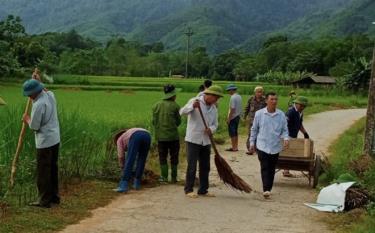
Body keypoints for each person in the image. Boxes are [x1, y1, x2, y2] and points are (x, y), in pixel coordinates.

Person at [22, 79, 60, 208]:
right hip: (55, 138)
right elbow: (45, 89)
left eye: (29, 94)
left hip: (45, 142)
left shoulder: (38, 105)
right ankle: (54, 197)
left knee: (44, 171)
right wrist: (37, 79)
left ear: (33, 93)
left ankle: (44, 200)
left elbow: (35, 127)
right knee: (53, 168)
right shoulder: (50, 95)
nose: (28, 96)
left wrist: (27, 120)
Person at [180, 85, 223, 198]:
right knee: (192, 165)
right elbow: (182, 112)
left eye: (218, 98)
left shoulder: (214, 108)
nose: (216, 100)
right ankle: (188, 189)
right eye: (215, 97)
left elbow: (215, 124)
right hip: (193, 139)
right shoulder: (195, 101)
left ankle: (203, 189)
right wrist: (192, 107)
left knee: (205, 166)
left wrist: (211, 129)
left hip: (206, 140)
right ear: (208, 95)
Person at [249, 92, 289, 199]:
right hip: (262, 145)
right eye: (272, 99)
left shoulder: (281, 115)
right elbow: (254, 129)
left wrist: (286, 138)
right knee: (265, 166)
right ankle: (266, 189)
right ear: (266, 101)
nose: (274, 101)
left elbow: (285, 130)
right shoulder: (259, 114)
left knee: (272, 168)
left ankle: (268, 188)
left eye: (276, 99)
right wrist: (252, 142)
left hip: (275, 146)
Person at [152, 84, 181, 183]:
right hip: (173, 137)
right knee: (174, 156)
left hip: (161, 137)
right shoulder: (176, 106)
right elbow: (178, 122)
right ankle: (174, 177)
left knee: (162, 156)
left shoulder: (156, 105)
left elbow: (154, 122)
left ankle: (164, 177)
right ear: (173, 95)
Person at [114, 128, 151, 193]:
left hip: (136, 136)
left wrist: (122, 166)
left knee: (130, 159)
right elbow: (141, 157)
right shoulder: (127, 135)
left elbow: (121, 156)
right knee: (142, 159)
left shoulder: (119, 140)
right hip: (147, 135)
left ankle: (123, 186)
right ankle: (137, 184)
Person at [283, 96, 310, 177]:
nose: (302, 107)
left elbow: (299, 124)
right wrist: (285, 136)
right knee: (288, 153)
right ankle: (286, 171)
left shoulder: (300, 113)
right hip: (288, 136)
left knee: (290, 152)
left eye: (304, 106)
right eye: (301, 105)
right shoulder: (290, 112)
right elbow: (284, 124)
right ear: (296, 104)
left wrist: (305, 133)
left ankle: (286, 170)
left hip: (294, 135)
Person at [243, 86, 266, 155]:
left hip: (262, 121)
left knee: (260, 135)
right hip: (252, 120)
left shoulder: (265, 100)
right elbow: (247, 108)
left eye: (261, 92)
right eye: (258, 92)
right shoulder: (251, 99)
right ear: (255, 92)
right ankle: (250, 149)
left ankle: (258, 149)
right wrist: (244, 117)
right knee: (251, 135)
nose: (260, 93)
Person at [225, 84, 242, 152]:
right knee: (235, 132)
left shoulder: (233, 97)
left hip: (233, 117)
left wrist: (229, 118)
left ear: (232, 90)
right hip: (237, 116)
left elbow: (232, 109)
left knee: (232, 133)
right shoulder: (239, 96)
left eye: (229, 90)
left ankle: (233, 147)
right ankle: (236, 146)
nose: (228, 92)